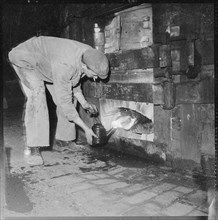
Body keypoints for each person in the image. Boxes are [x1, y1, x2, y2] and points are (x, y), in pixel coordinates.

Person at [8, 36, 109, 166]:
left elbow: (73, 81)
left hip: (48, 65)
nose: (95, 79)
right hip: (25, 59)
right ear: (85, 66)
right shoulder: (66, 64)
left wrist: (84, 103)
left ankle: (65, 140)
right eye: (95, 75)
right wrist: (86, 129)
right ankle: (34, 148)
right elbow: (64, 99)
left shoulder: (88, 55)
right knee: (38, 95)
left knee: (69, 96)